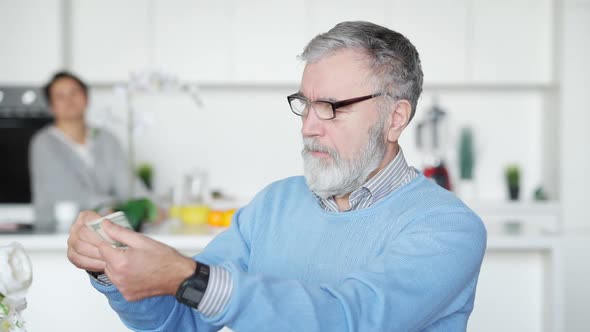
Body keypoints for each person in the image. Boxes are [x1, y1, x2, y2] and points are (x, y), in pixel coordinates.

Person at [67, 21, 486, 331]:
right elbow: (181, 320)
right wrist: (111, 265)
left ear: (395, 118)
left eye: (332, 107)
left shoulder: (448, 228)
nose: (308, 126)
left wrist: (188, 276)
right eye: (304, 104)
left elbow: (347, 319)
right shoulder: (273, 205)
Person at [29, 71, 148, 229]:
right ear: (51, 106)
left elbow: (127, 182)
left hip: (105, 232)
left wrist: (147, 206)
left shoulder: (106, 138)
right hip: (59, 232)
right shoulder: (43, 143)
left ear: (86, 98)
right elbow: (66, 191)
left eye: (74, 93)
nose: (69, 100)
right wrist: (112, 207)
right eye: (60, 96)